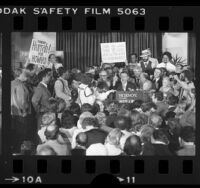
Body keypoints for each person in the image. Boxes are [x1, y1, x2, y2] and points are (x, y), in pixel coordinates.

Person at [11, 64, 36, 152]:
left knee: (16, 135)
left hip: (14, 113)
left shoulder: (12, 83)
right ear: (19, 75)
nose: (25, 75)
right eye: (23, 74)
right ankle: (21, 152)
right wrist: (24, 111)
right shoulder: (20, 85)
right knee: (22, 135)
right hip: (22, 114)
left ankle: (16, 151)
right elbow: (22, 101)